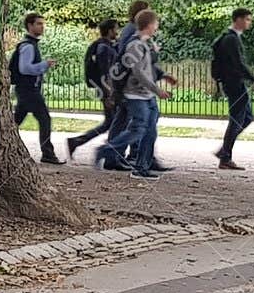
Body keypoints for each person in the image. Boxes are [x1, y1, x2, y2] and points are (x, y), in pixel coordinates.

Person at [96, 10, 172, 179]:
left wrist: (162, 74)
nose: (157, 27)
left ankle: (141, 167)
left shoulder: (144, 43)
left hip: (146, 95)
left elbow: (147, 67)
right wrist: (157, 90)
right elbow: (138, 72)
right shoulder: (135, 45)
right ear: (149, 25)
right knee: (137, 130)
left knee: (149, 132)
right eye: (156, 24)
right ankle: (106, 151)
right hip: (136, 95)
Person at [211, 7, 254, 170]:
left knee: (247, 117)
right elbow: (238, 64)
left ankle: (224, 151)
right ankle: (225, 157)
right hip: (233, 84)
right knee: (237, 119)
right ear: (238, 19)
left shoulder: (231, 38)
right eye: (247, 19)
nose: (249, 23)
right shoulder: (231, 39)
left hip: (234, 83)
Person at [10, 12, 63, 164]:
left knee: (16, 121)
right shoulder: (28, 46)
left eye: (42, 24)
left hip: (25, 90)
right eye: (39, 24)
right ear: (30, 25)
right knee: (45, 119)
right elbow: (25, 68)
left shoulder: (29, 44)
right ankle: (48, 154)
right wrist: (44, 65)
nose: (42, 27)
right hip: (29, 91)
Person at [66, 19, 121, 159]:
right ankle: (108, 152)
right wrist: (109, 94)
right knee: (114, 122)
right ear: (110, 30)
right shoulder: (104, 48)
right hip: (107, 90)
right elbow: (105, 73)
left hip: (107, 89)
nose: (117, 32)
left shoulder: (105, 46)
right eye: (116, 29)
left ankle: (77, 142)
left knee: (111, 122)